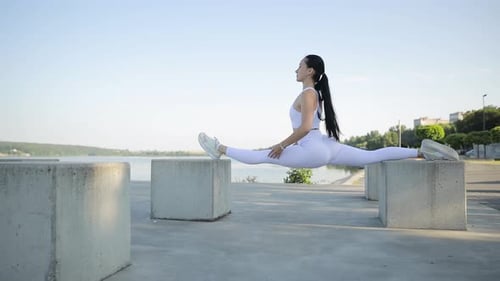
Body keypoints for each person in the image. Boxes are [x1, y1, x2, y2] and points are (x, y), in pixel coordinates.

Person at [198, 54, 459, 168]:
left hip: (312, 147)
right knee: (372, 156)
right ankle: (422, 152)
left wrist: (281, 145)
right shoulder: (316, 93)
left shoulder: (308, 94)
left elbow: (303, 128)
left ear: (310, 71)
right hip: (327, 145)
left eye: (299, 65)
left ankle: (219, 148)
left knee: (265, 155)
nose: (296, 69)